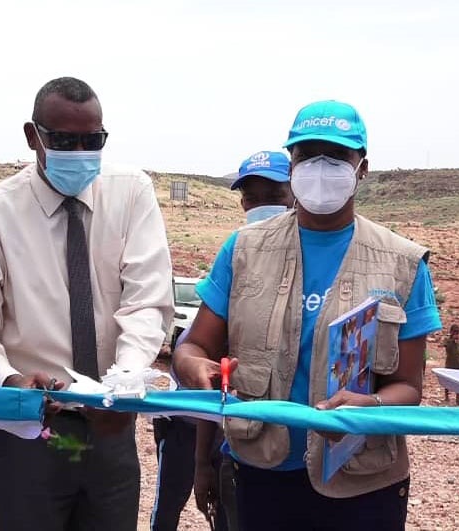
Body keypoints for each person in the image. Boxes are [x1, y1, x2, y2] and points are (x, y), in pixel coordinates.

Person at [173, 100, 442, 530]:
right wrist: (191, 364)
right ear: (292, 163)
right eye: (306, 155)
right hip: (262, 471)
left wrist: (369, 404)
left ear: (362, 168)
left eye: (336, 156)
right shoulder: (243, 250)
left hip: (362, 482)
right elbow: (196, 344)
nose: (320, 168)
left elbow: (408, 386)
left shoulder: (403, 263)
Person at [0, 76, 174, 530]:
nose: (81, 152)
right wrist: (9, 380)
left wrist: (125, 379)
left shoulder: (130, 193)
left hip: (110, 425)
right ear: (33, 137)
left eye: (94, 139)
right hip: (28, 428)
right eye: (66, 141)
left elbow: (147, 300)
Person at [154, 150, 294, 531]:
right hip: (239, 455)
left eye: (274, 194)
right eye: (252, 197)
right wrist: (202, 464)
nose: (261, 205)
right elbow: (209, 372)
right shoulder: (237, 255)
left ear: (295, 193)